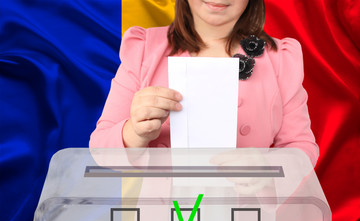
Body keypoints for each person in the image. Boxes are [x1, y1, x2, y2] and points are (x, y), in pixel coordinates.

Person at [89, 0, 319, 166]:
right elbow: (100, 150)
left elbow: (302, 148)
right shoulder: (144, 50)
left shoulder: (280, 59)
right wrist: (135, 131)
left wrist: (265, 170)